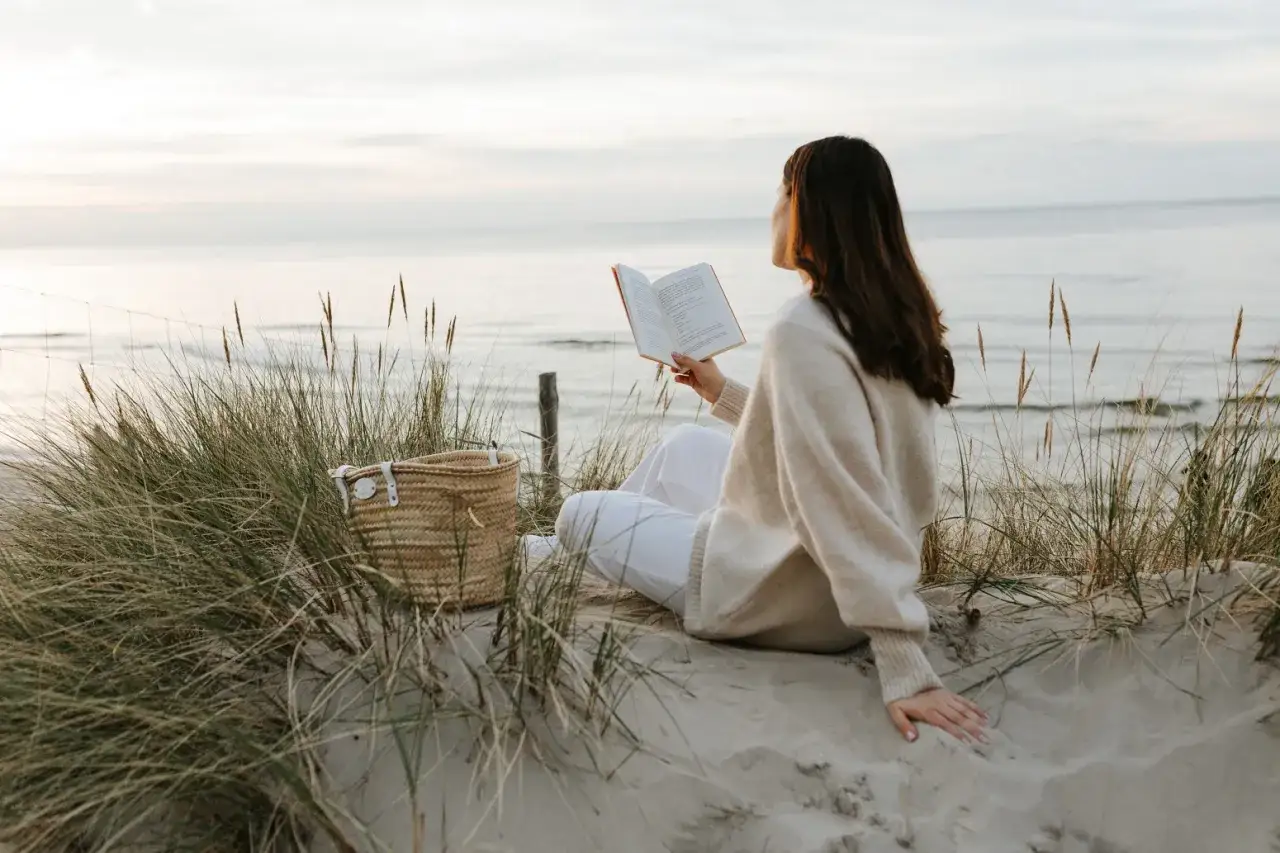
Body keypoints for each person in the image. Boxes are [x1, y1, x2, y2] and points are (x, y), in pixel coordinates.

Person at [525, 136, 987, 744]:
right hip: (827, 583)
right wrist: (720, 391)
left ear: (812, 214)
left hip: (781, 598)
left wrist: (904, 664)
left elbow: (840, 496)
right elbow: (830, 442)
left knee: (576, 512)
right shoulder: (893, 323)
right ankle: (565, 555)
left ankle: (566, 548)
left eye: (784, 194)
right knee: (683, 447)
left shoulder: (803, 328)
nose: (774, 210)